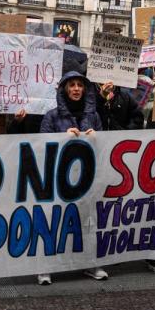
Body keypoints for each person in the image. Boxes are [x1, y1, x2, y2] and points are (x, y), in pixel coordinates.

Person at [37, 71, 107, 285]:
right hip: (59, 178)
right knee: (54, 221)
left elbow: (104, 147)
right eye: (72, 85)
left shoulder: (93, 115)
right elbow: (41, 146)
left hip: (86, 178)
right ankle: (45, 267)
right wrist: (61, 138)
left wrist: (97, 138)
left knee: (87, 221)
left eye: (79, 85)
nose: (76, 89)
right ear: (64, 90)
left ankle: (90, 264)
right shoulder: (52, 116)